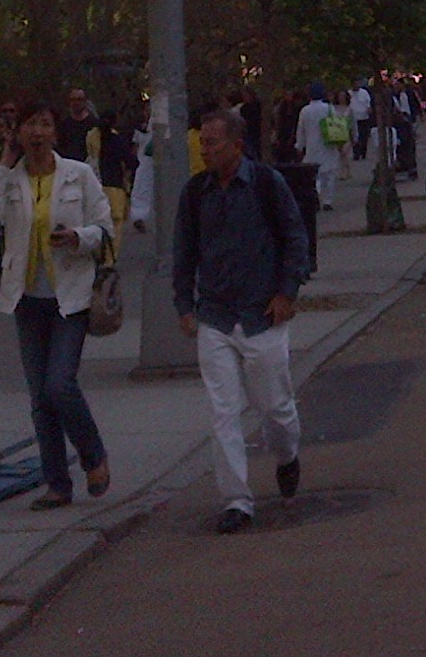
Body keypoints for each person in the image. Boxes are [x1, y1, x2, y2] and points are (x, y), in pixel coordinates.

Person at [0, 94, 114, 509]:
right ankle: (57, 484)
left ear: (56, 131)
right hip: (26, 298)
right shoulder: (11, 179)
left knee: (59, 384)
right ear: (18, 133)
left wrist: (78, 238)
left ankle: (93, 456)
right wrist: (2, 165)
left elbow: (103, 228)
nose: (37, 133)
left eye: (45, 125)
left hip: (69, 297)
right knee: (40, 398)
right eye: (30, 125)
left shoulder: (79, 175)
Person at [173, 107, 311, 534]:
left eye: (212, 143)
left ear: (236, 145)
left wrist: (287, 292)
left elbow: (294, 236)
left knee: (276, 407)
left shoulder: (267, 184)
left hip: (262, 315)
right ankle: (236, 500)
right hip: (215, 316)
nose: (205, 150)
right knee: (223, 411)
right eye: (202, 143)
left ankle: (287, 456)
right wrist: (184, 304)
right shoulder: (197, 193)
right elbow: (184, 250)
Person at [293, 82, 344, 212]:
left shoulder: (305, 111)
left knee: (316, 174)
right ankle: (328, 200)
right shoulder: (329, 108)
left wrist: (299, 145)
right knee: (330, 173)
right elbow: (336, 124)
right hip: (328, 143)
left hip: (312, 145)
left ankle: (316, 195)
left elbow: (301, 130)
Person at [55, 89, 98, 165]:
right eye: (73, 100)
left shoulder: (94, 124)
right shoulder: (63, 124)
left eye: (79, 99)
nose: (76, 103)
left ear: (85, 101)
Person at [349, 80, 374, 161]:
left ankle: (363, 152)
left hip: (363, 117)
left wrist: (369, 108)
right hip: (353, 118)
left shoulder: (364, 93)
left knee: (363, 136)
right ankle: (356, 153)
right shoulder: (349, 93)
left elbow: (368, 103)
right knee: (355, 137)